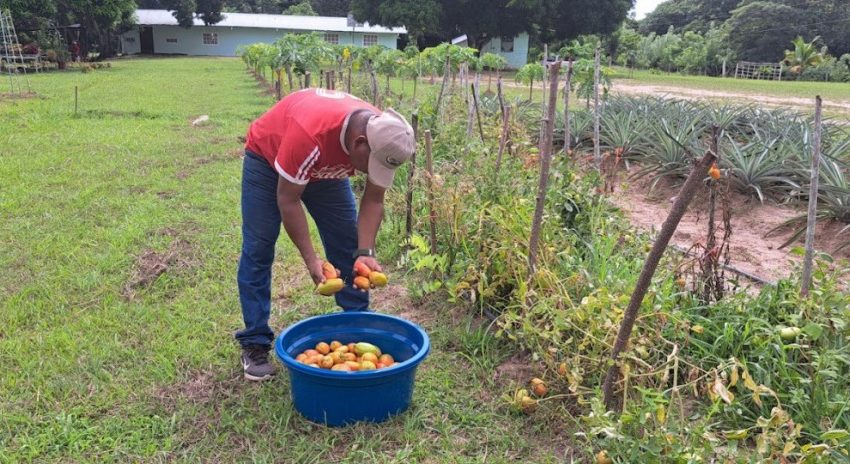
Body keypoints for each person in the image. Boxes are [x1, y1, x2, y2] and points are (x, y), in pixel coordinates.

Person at [235, 88, 416, 381]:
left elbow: (374, 199)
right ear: (359, 144)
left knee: (348, 244)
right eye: (371, 166)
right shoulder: (310, 135)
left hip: (323, 164)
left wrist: (365, 252)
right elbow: (288, 200)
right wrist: (311, 260)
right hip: (269, 161)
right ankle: (255, 342)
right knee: (259, 246)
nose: (372, 173)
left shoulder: (383, 136)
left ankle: (355, 327)